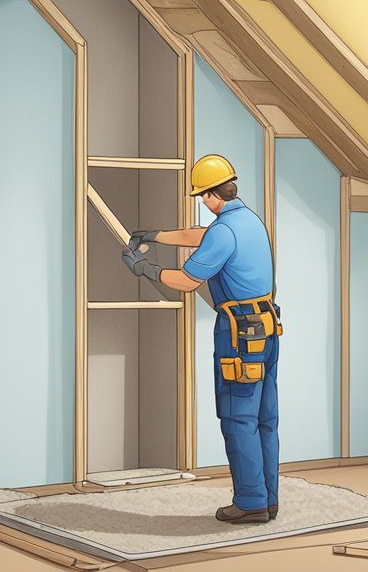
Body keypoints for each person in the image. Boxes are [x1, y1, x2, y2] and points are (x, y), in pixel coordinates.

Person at [121, 154, 280, 525]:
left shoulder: (224, 231)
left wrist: (148, 269)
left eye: (202, 197)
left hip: (240, 334)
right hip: (267, 329)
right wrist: (156, 235)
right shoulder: (247, 221)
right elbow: (201, 236)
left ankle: (251, 503)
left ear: (211, 197)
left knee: (238, 418)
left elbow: (188, 281)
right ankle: (267, 499)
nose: (202, 204)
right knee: (263, 419)